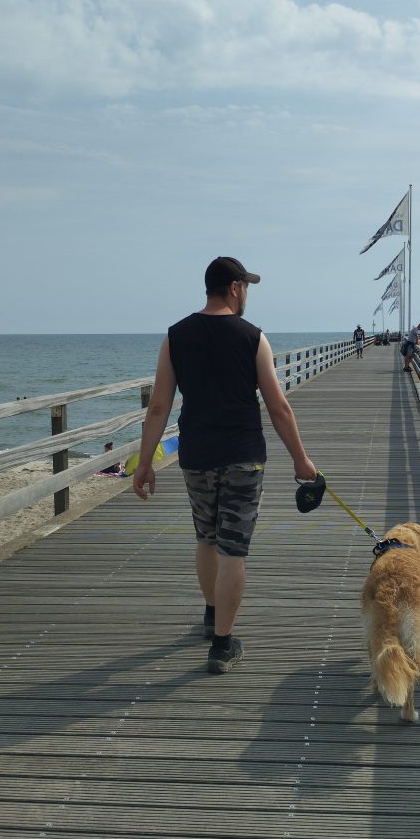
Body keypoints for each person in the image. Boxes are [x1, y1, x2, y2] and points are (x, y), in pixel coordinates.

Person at [133, 256, 316, 675]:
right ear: (234, 288)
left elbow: (159, 406)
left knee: (206, 537)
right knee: (234, 548)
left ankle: (213, 614)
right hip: (243, 457)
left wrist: (145, 464)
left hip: (196, 455)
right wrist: (300, 459)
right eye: (246, 286)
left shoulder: (175, 337)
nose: (247, 293)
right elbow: (278, 406)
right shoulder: (253, 338)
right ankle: (222, 644)